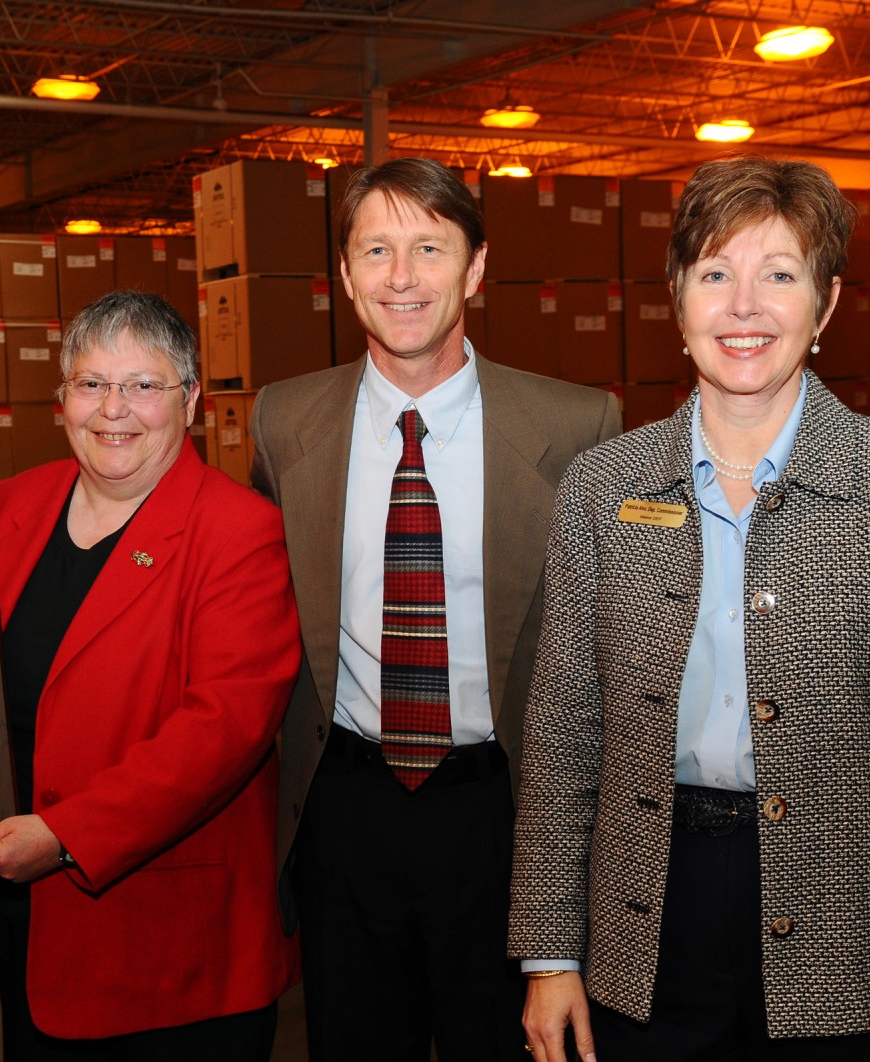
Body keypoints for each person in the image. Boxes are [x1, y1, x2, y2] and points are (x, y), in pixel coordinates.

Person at [509, 155, 870, 1062]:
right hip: (647, 931)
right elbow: (562, 737)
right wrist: (551, 953)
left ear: (824, 307)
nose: (743, 306)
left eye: (779, 275)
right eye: (715, 274)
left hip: (859, 944)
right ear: (678, 299)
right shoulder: (602, 488)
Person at [249, 157, 621, 1062]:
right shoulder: (283, 422)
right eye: (376, 249)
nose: (402, 277)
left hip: (505, 809)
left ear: (477, 268)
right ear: (345, 274)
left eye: (428, 247)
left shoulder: (578, 427)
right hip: (343, 808)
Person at [0, 289, 301, 1059]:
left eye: (144, 386)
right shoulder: (11, 505)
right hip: (21, 904)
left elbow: (225, 726)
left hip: (161, 936)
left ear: (191, 402)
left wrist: (66, 836)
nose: (115, 410)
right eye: (92, 384)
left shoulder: (238, 530)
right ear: (62, 400)